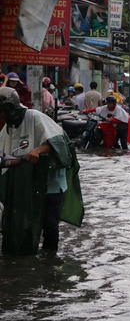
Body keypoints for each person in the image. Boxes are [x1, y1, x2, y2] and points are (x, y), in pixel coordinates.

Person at [0, 87, 83, 255]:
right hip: (29, 184)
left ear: (9, 109)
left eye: (1, 112)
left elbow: (61, 144)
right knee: (24, 223)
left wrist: (39, 150)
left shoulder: (35, 117)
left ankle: (49, 262)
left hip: (50, 183)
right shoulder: (9, 127)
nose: (1, 116)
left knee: (50, 225)